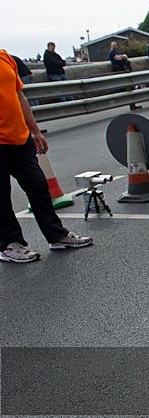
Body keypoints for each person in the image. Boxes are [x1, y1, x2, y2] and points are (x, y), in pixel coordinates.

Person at [0, 49, 92, 264]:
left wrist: (35, 131)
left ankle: (56, 235)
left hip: (19, 139)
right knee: (2, 197)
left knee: (39, 186)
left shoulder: (4, 57)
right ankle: (9, 244)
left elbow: (19, 97)